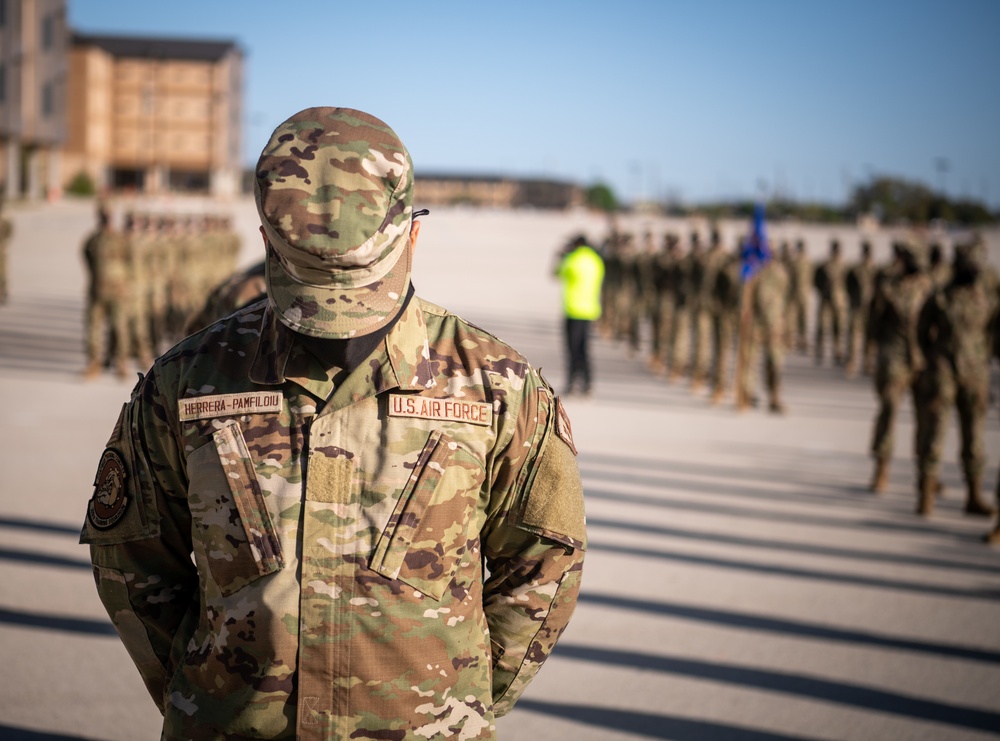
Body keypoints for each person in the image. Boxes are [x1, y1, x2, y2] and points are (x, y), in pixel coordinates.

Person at [81, 107, 586, 740]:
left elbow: (545, 563)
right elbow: (131, 559)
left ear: (413, 236)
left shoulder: (498, 388)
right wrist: (203, 693)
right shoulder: (188, 382)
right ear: (265, 241)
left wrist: (457, 703)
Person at [914, 238, 998, 517]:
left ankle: (973, 495)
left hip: (975, 374)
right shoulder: (940, 295)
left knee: (974, 436)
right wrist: (931, 360)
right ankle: (926, 496)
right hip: (943, 373)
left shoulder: (988, 295)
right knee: (935, 433)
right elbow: (921, 331)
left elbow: (994, 333)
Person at [866, 239, 934, 493]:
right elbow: (873, 324)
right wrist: (875, 353)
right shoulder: (888, 288)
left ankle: (926, 475)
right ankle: (881, 470)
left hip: (924, 362)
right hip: (894, 359)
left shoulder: (930, 289)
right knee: (889, 412)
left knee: (927, 420)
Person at [556, 233, 605, 396]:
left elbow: (558, 273)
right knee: (584, 349)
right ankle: (588, 383)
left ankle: (571, 383)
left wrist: (562, 256)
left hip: (573, 310)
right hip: (590, 310)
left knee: (572, 349)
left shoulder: (572, 260)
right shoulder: (595, 260)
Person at [813, 239, 848, 365]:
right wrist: (822, 291)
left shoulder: (845, 266)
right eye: (835, 249)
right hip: (826, 299)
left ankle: (838, 352)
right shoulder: (824, 265)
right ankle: (819, 351)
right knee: (822, 326)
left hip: (839, 301)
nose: (836, 252)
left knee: (838, 327)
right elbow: (816, 280)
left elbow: (848, 283)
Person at [844, 240, 875, 377]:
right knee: (854, 337)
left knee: (869, 337)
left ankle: (868, 363)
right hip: (857, 306)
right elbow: (848, 285)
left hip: (870, 308)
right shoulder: (855, 269)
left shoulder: (876, 269)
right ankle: (852, 363)